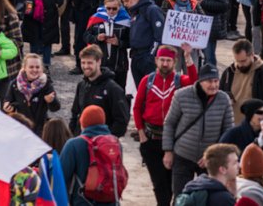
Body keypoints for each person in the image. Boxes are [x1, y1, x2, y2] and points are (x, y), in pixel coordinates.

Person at [132, 45, 197, 206]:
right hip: (151, 140)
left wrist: (188, 58)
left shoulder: (180, 81)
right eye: (162, 60)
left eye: (168, 60)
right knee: (160, 185)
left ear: (174, 62)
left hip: (175, 141)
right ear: (156, 61)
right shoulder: (147, 81)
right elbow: (137, 107)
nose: (165, 64)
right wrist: (140, 132)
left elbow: (196, 83)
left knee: (175, 185)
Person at [162, 66, 235, 199]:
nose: (213, 85)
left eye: (216, 81)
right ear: (200, 81)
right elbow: (169, 123)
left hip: (210, 161)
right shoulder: (181, 95)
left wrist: (212, 155)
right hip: (183, 154)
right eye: (209, 81)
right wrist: (168, 151)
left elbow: (228, 132)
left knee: (209, 198)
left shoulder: (223, 99)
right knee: (180, 197)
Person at [60, 106, 125, 206]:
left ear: (83, 123)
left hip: (83, 201)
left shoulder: (73, 144)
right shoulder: (115, 143)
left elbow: (60, 177)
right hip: (111, 201)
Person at [69, 45, 129, 137]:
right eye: (83, 62)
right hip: (82, 141)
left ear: (99, 61)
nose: (85, 66)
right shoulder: (81, 85)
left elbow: (121, 122)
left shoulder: (113, 89)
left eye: (89, 63)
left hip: (102, 146)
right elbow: (75, 114)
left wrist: (106, 141)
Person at [220, 39, 263, 123]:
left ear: (252, 55)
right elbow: (220, 95)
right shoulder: (228, 73)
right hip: (232, 125)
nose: (240, 65)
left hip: (255, 126)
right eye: (237, 61)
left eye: (243, 61)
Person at [2, 53, 59, 131]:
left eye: (37, 67)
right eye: (31, 67)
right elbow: (7, 103)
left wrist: (51, 101)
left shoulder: (46, 84)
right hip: (21, 128)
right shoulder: (15, 84)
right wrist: (7, 108)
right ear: (24, 68)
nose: (35, 70)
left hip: (41, 129)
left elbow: (56, 108)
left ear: (42, 69)